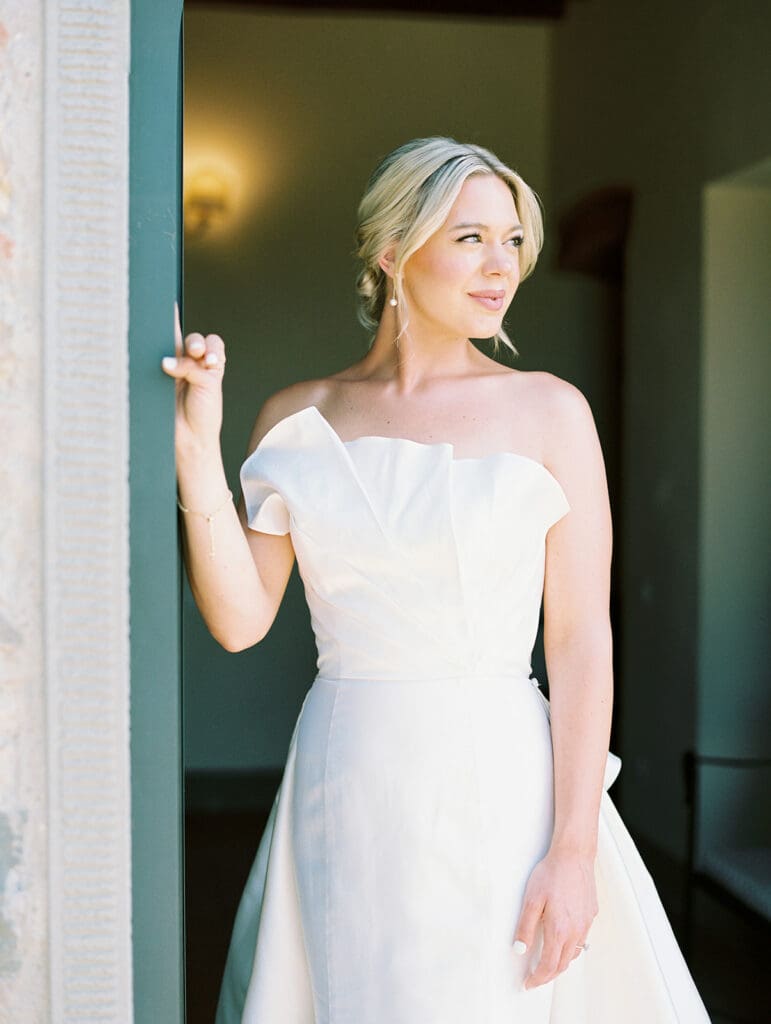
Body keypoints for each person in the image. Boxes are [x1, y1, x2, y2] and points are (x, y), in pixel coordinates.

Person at [162, 137, 712, 1023]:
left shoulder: (550, 411)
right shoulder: (297, 416)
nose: (501, 268)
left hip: (503, 788)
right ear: (391, 250)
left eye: (512, 242)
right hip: (348, 778)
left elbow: (577, 641)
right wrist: (196, 449)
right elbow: (237, 620)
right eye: (470, 239)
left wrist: (572, 850)